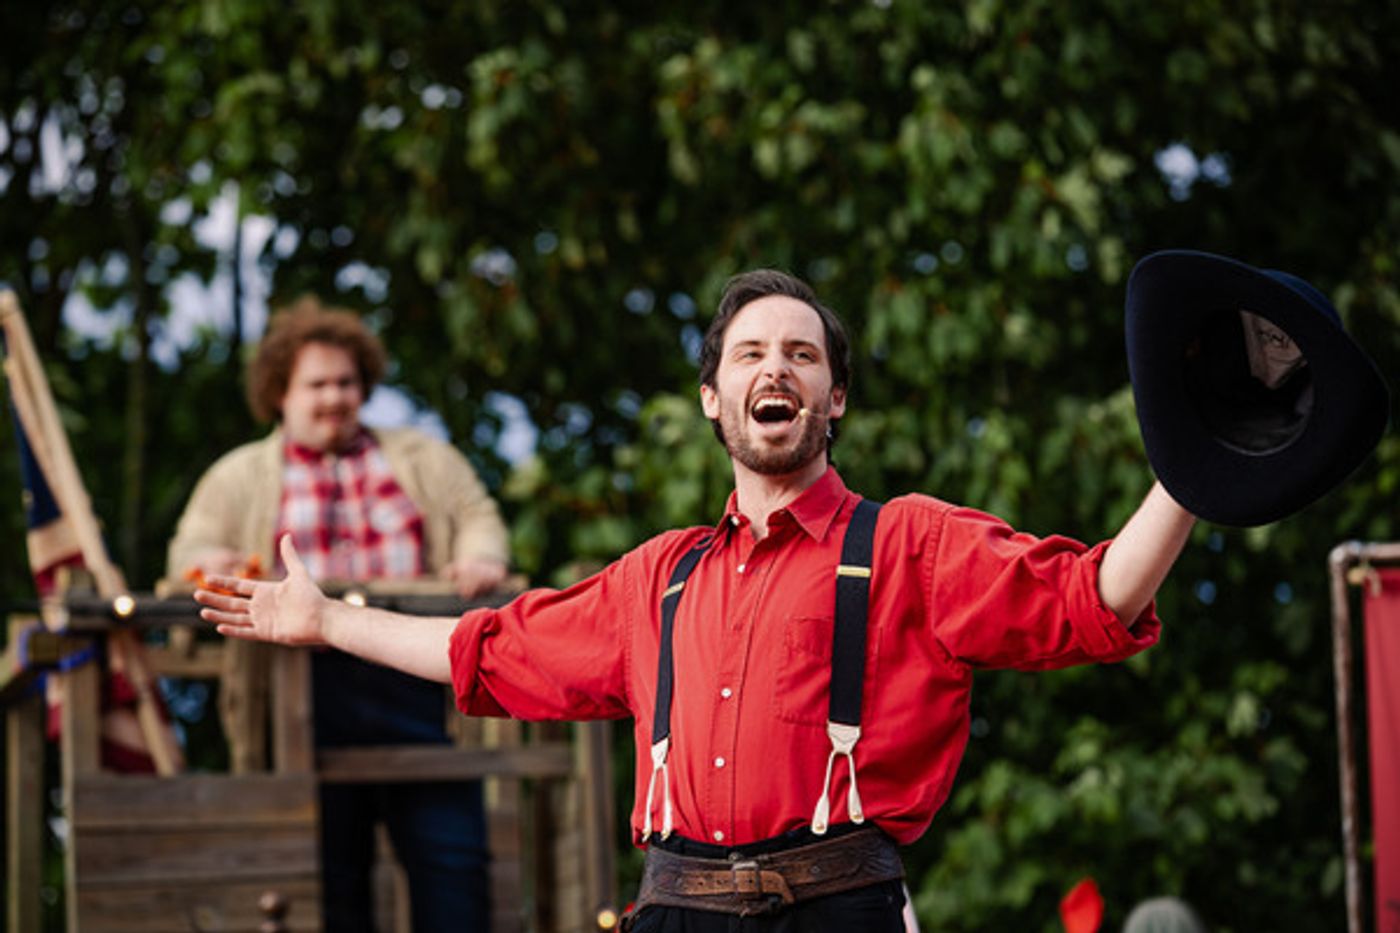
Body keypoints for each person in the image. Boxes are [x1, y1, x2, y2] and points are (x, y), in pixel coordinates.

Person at [196, 270, 1197, 931]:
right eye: (750, 354)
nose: (777, 368)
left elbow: (1091, 599)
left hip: (837, 907)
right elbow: (489, 648)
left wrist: (1191, 474)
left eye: (801, 355)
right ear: (714, 399)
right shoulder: (659, 578)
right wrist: (326, 620)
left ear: (832, 399)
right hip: (675, 913)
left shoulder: (908, 543)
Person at [169, 297, 510, 932]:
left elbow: (478, 516)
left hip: (413, 675)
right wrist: (210, 560)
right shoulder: (238, 475)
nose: (335, 397)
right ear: (280, 393)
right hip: (301, 693)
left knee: (452, 864)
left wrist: (478, 557)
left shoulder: (421, 457)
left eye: (347, 382)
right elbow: (189, 551)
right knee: (329, 875)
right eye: (317, 384)